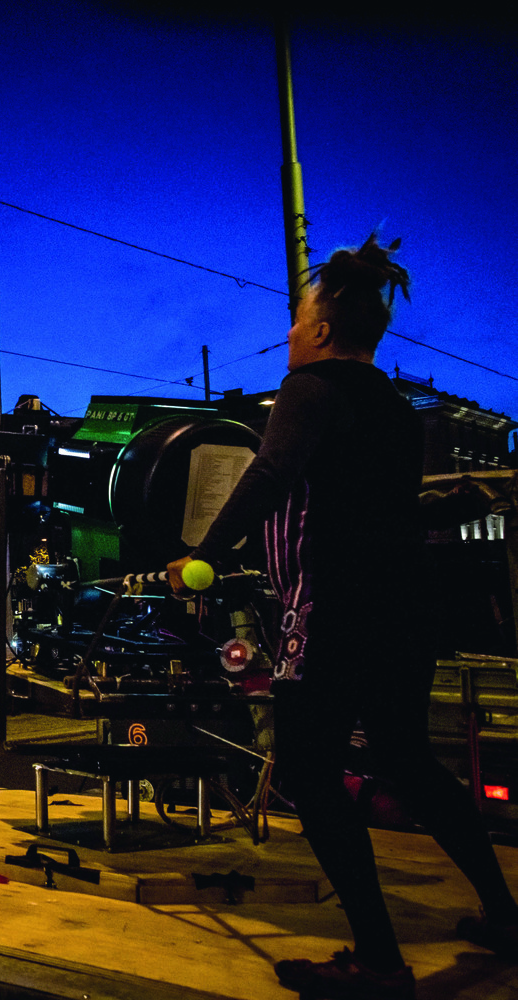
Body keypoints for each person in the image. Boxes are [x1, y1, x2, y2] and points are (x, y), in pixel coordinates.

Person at [167, 236, 518, 999]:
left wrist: (203, 549)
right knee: (410, 760)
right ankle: (504, 915)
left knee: (308, 771)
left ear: (323, 331)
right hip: (404, 603)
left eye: (296, 320)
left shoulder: (310, 386)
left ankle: (379, 962)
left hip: (333, 604)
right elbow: (380, 503)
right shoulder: (393, 406)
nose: (290, 333)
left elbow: (271, 470)